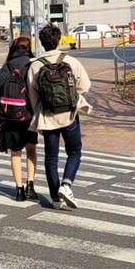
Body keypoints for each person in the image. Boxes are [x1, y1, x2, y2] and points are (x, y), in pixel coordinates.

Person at [27, 24, 92, 210]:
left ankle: (55, 198)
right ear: (59, 40)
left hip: (48, 116)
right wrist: (71, 96)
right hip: (69, 114)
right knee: (74, 152)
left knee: (51, 158)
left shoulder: (35, 65)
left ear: (41, 42)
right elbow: (85, 86)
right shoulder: (71, 61)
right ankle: (66, 184)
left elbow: (33, 96)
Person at [0, 37, 39, 201]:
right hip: (28, 116)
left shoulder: (7, 66)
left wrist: (7, 106)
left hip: (10, 117)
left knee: (15, 152)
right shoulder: (31, 64)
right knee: (31, 149)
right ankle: (30, 185)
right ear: (28, 48)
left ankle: (19, 189)